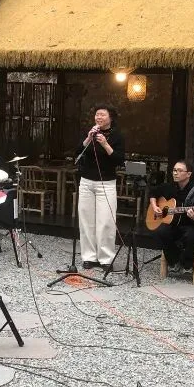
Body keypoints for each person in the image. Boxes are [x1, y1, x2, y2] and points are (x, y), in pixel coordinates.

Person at [76, 105, 125, 271]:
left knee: (106, 221)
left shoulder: (117, 136)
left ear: (110, 118)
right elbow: (77, 152)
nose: (99, 117)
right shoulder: (89, 132)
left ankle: (106, 259)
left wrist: (105, 144)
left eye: (102, 115)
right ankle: (89, 257)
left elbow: (119, 160)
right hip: (86, 182)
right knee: (86, 221)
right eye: (97, 115)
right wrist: (88, 138)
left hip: (106, 182)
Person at [148, 161, 194, 276]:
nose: (175, 173)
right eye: (174, 170)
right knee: (160, 231)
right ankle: (174, 261)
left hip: (193, 225)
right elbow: (153, 193)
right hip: (174, 225)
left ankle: (187, 264)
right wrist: (155, 206)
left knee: (192, 236)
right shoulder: (168, 187)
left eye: (179, 171)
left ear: (188, 174)